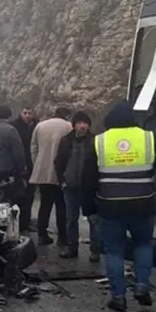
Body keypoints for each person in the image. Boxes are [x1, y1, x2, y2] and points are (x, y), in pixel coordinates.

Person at [81, 100, 156, 312]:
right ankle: (142, 286)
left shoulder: (99, 141)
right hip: (143, 204)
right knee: (143, 245)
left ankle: (118, 297)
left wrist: (88, 208)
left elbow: (87, 179)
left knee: (114, 251)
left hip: (110, 208)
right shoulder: (149, 138)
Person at [54, 110, 101, 262]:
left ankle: (95, 251)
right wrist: (62, 181)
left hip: (89, 187)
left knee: (93, 220)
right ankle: (71, 247)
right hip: (70, 186)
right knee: (71, 219)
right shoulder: (66, 141)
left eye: (85, 123)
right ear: (74, 125)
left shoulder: (95, 141)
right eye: (79, 123)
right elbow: (59, 162)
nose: (82, 126)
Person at [30, 107, 72, 246]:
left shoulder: (40, 126)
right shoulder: (69, 126)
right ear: (67, 115)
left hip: (43, 170)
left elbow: (33, 147)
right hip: (62, 172)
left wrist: (37, 163)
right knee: (61, 205)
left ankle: (42, 235)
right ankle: (62, 238)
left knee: (45, 204)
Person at [0, 105, 27, 202]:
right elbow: (18, 154)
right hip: (4, 172)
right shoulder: (11, 130)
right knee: (6, 200)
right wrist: (21, 170)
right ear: (8, 116)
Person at [10, 105, 37, 232]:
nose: (27, 115)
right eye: (25, 113)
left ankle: (25, 222)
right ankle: (15, 223)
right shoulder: (14, 126)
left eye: (29, 113)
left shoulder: (36, 126)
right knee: (16, 196)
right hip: (17, 166)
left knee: (29, 195)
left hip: (32, 164)